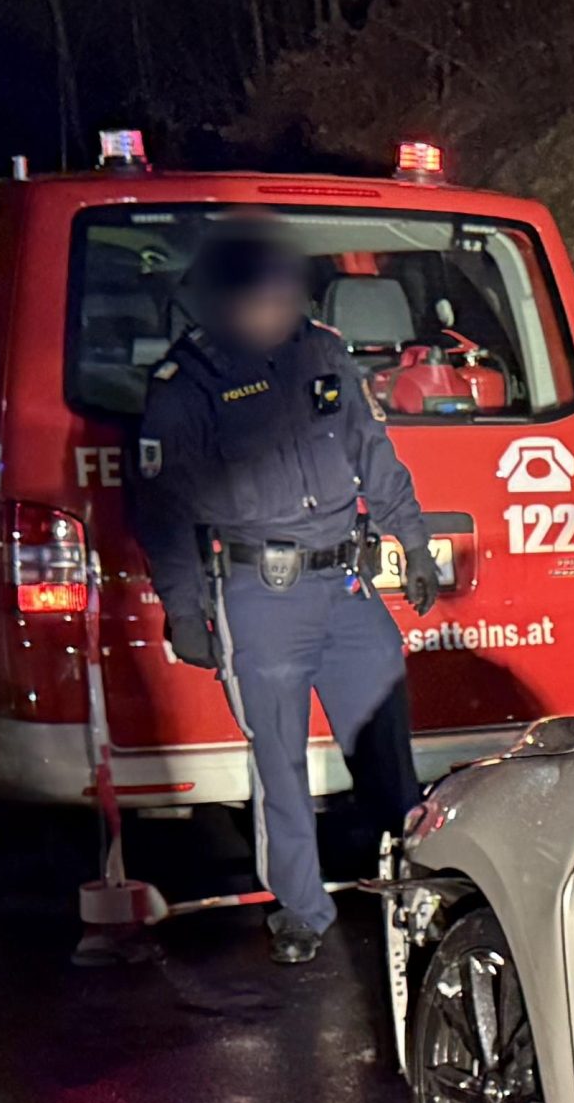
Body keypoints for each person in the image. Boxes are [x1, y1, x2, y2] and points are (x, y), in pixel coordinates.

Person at [129, 228, 435, 966]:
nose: (278, 306)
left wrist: (413, 542)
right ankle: (302, 908)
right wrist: (182, 606)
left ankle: (418, 887)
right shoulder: (189, 382)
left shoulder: (322, 351)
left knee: (388, 747)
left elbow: (373, 452)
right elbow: (161, 508)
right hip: (259, 597)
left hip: (347, 583)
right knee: (281, 762)